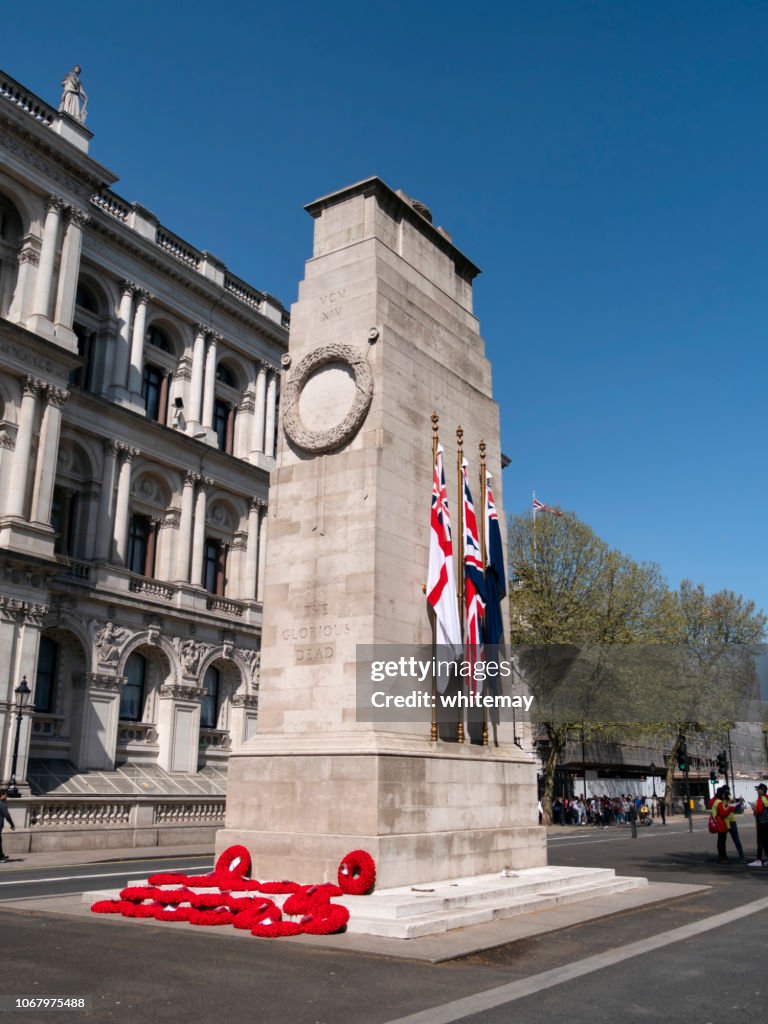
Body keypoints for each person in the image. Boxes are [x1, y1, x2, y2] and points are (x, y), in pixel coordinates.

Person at [710, 786, 740, 864]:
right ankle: (722, 857)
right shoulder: (719, 803)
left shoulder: (716, 801)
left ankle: (722, 857)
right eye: (724, 794)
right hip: (721, 823)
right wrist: (730, 809)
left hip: (719, 822)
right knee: (722, 841)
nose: (724, 795)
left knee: (721, 840)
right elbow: (723, 813)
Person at [747, 783, 768, 867]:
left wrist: (754, 808)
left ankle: (758, 860)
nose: (757, 791)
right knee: (766, 842)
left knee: (760, 842)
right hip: (767, 823)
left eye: (759, 789)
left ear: (762, 790)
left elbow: (759, 811)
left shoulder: (760, 799)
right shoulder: (766, 798)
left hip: (761, 824)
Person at [0, 788, 15, 862]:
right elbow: (7, 816)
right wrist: (12, 824)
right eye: (6, 795)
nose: (6, 797)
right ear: (1, 795)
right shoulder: (2, 804)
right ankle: (1, 857)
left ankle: (1, 856)